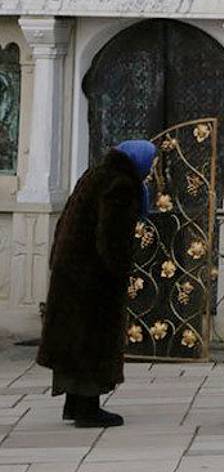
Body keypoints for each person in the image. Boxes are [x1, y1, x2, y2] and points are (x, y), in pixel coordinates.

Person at [37, 139, 158, 428]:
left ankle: (76, 403)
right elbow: (111, 236)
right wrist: (119, 270)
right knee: (93, 339)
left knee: (75, 338)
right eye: (151, 164)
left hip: (71, 272)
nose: (152, 171)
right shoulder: (120, 185)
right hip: (93, 278)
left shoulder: (95, 175)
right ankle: (88, 408)